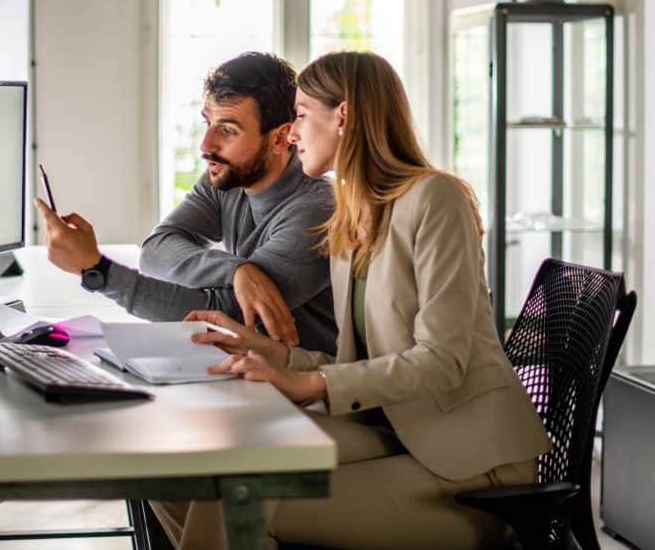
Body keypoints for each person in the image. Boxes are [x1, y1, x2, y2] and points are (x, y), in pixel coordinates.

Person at [153, 51, 552, 549]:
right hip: (387, 428)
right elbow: (358, 364)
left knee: (241, 504)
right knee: (183, 473)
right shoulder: (350, 216)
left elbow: (443, 360)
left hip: (469, 463)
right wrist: (272, 354)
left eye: (301, 116)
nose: (291, 134)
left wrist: (308, 382)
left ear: (342, 116)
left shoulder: (436, 199)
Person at [33, 51, 337, 354]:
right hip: (246, 366)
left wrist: (98, 271)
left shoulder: (317, 210)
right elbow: (156, 250)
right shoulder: (226, 179)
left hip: (303, 380)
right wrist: (237, 270)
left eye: (228, 130)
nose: (206, 145)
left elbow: (222, 317)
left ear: (280, 139)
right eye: (208, 123)